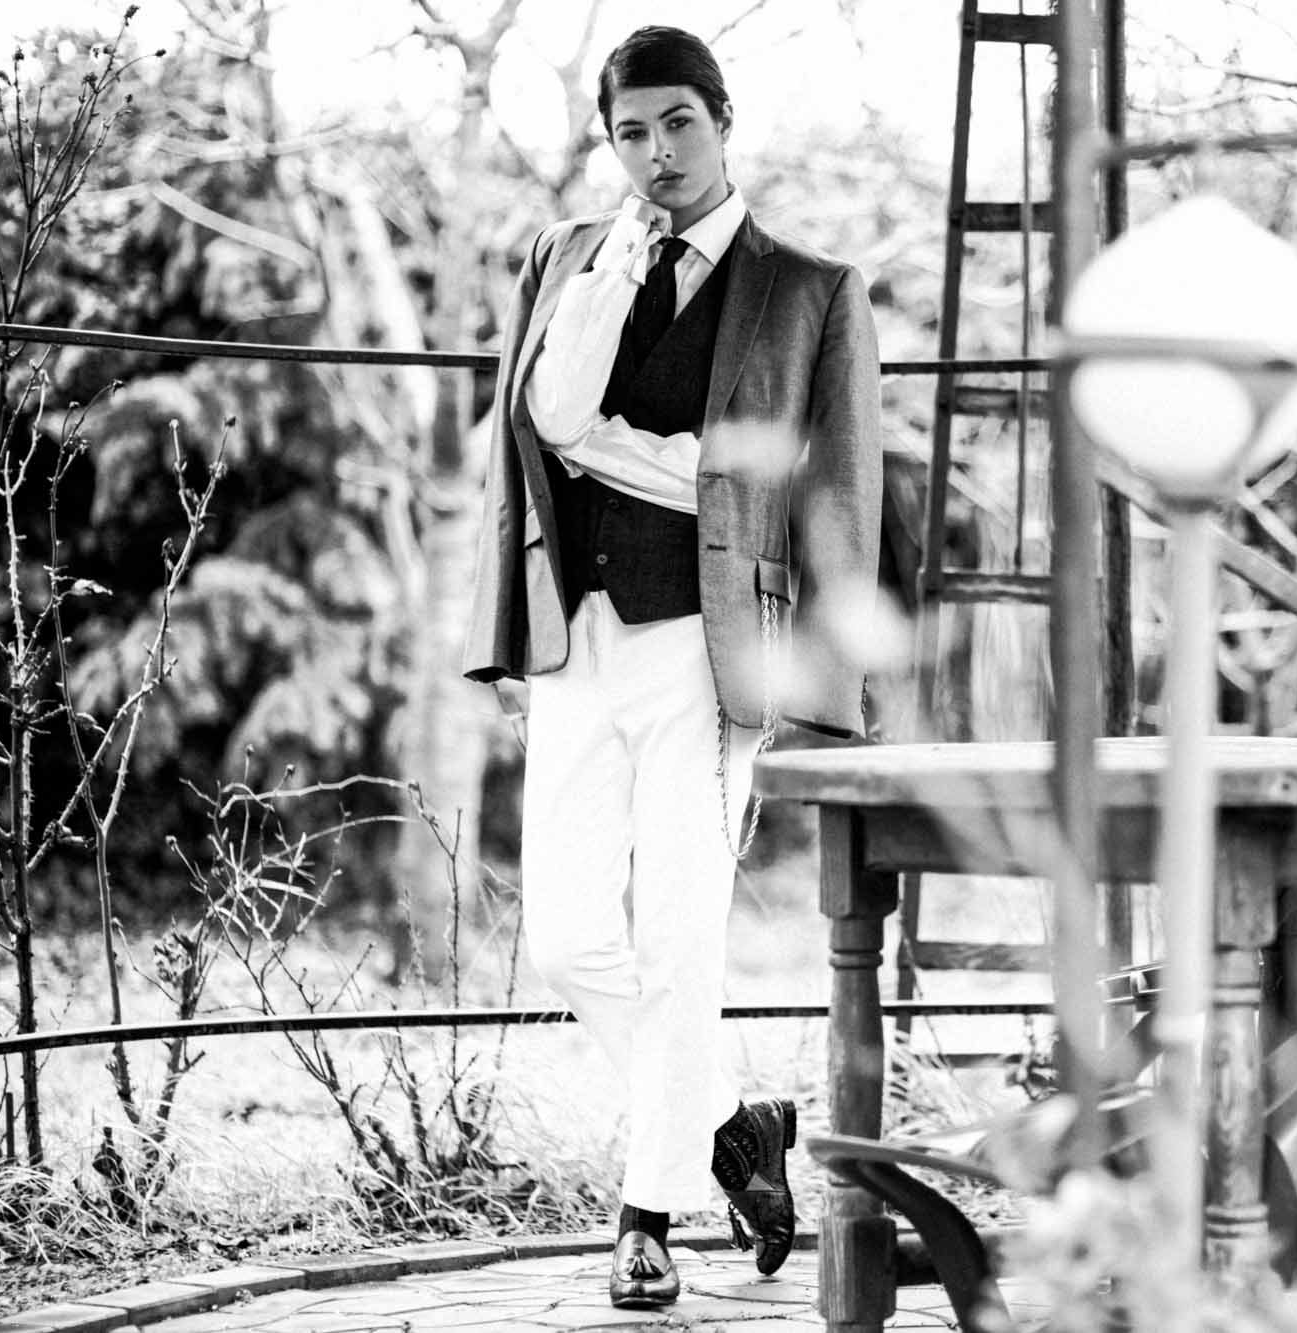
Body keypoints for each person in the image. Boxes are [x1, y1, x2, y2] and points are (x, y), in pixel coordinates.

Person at [463, 23, 882, 1310]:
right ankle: (730, 1128)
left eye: (678, 123)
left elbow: (832, 489)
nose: (657, 153)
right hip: (576, 641)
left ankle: (645, 1218)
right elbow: (537, 428)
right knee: (567, 940)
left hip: (708, 652)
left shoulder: (809, 289)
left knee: (679, 936)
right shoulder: (568, 256)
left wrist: (831, 673)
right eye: (631, 132)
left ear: (722, 119)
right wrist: (661, 456)